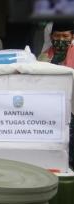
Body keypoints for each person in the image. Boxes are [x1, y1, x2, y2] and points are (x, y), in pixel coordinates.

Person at [38, 22, 74, 167]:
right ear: (51, 36)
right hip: (51, 112)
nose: (60, 39)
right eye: (57, 35)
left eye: (65, 36)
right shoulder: (44, 56)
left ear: (72, 37)